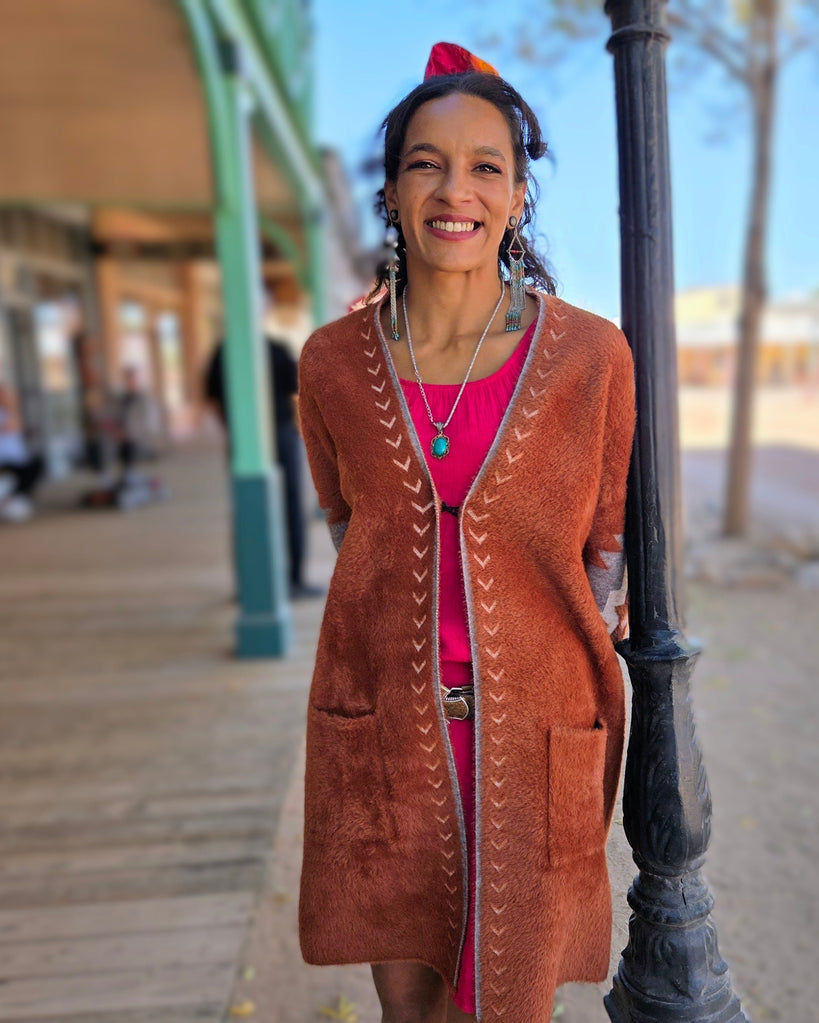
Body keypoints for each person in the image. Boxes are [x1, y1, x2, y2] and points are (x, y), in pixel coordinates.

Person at [296, 44, 636, 1023]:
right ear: (393, 191)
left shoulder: (588, 358)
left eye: (486, 164)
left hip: (534, 747)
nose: (456, 190)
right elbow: (346, 526)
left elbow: (606, 550)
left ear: (520, 194)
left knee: (509, 1010)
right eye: (425, 162)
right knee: (410, 1011)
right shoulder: (330, 364)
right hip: (386, 743)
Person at [205, 332, 324, 600]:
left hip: (247, 438)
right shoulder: (272, 347)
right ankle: (293, 580)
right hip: (280, 435)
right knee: (290, 506)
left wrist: (233, 430)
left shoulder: (225, 349)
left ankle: (252, 586)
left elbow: (212, 400)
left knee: (250, 508)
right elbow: (301, 392)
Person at [0, 382, 44, 521]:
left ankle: (10, 499)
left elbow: (18, 427)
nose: (8, 398)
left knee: (35, 466)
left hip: (13, 460)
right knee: (28, 470)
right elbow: (9, 426)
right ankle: (6, 500)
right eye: (5, 395)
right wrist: (12, 406)